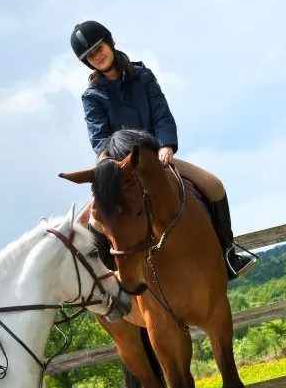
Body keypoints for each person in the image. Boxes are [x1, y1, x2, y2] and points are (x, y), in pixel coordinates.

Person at [70, 19, 257, 280]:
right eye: (90, 55)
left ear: (109, 43)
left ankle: (228, 256)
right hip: (121, 171)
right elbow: (101, 140)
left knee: (214, 186)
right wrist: (107, 172)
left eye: (98, 48)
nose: (97, 56)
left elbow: (161, 115)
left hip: (155, 160)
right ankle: (113, 286)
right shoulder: (91, 97)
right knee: (95, 223)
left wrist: (167, 145)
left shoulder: (143, 76)